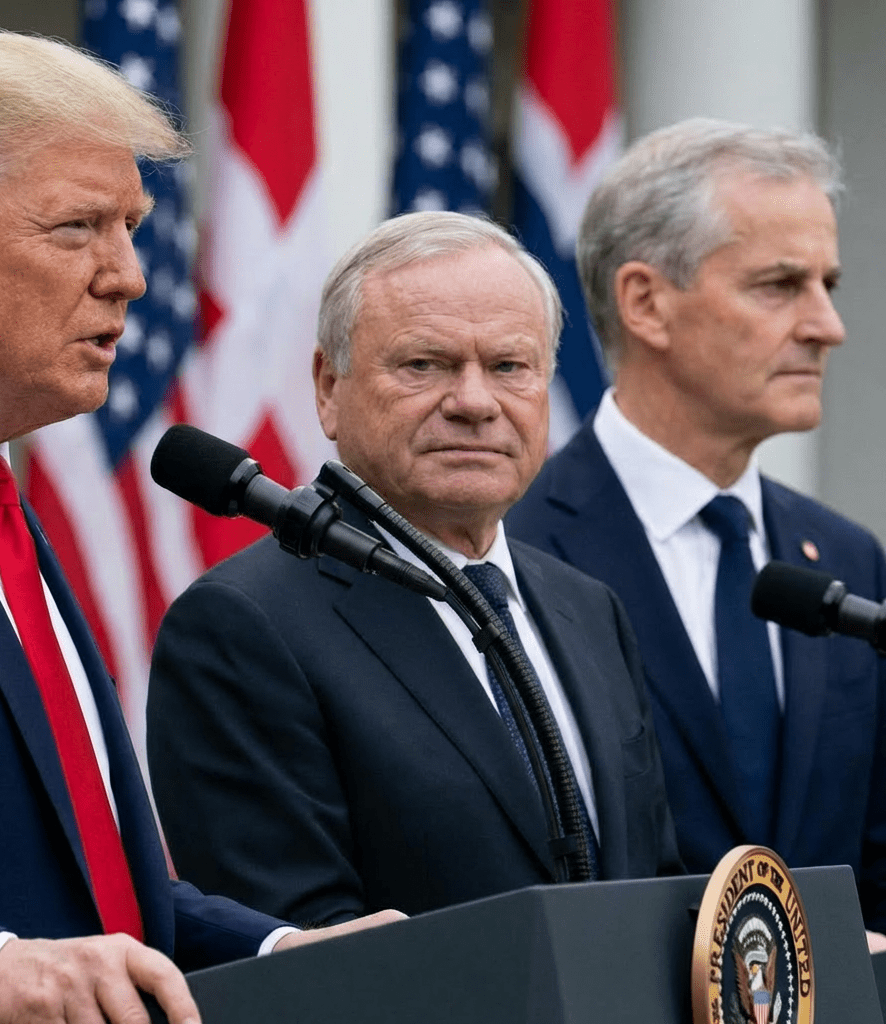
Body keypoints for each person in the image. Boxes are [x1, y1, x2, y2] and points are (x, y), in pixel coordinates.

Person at [0, 28, 397, 1024]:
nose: (131, 277)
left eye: (133, 226)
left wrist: (288, 950)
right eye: (77, 228)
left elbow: (93, 893)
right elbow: (21, 948)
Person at [147, 211, 681, 928]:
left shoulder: (587, 609)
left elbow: (656, 888)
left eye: (509, 367)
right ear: (328, 387)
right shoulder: (242, 626)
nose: (473, 402)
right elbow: (297, 956)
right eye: (424, 364)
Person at [505, 119, 886, 937]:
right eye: (780, 285)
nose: (827, 325)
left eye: (828, 284)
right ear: (646, 302)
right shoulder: (511, 547)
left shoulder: (847, 563)